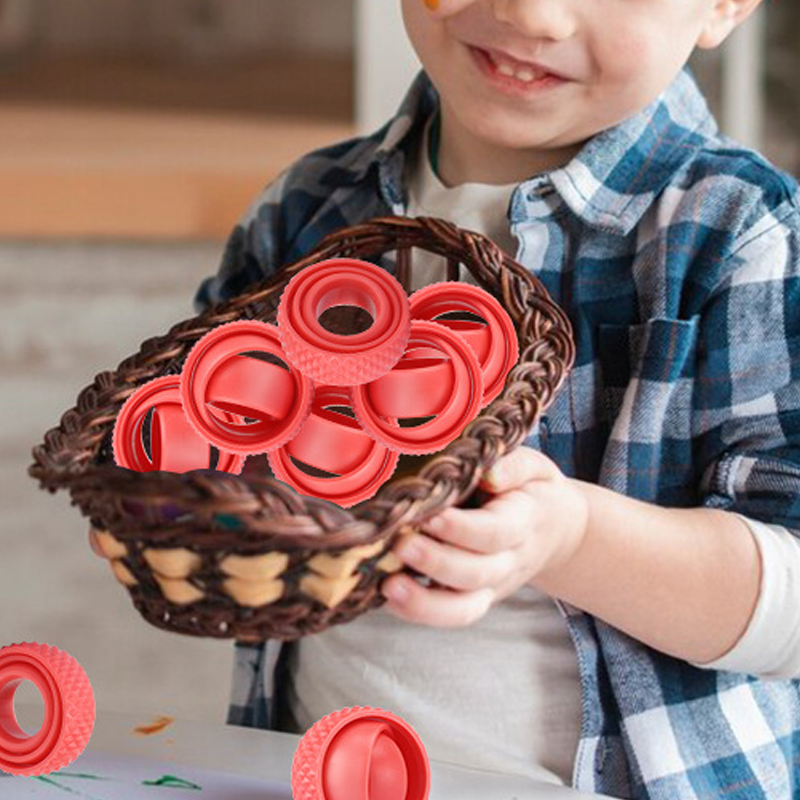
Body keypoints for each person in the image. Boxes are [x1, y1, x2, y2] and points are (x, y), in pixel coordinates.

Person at [93, 1, 800, 797]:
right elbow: (198, 446)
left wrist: (569, 542)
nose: (529, 13)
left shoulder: (741, 235)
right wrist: (167, 510)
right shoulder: (307, 210)